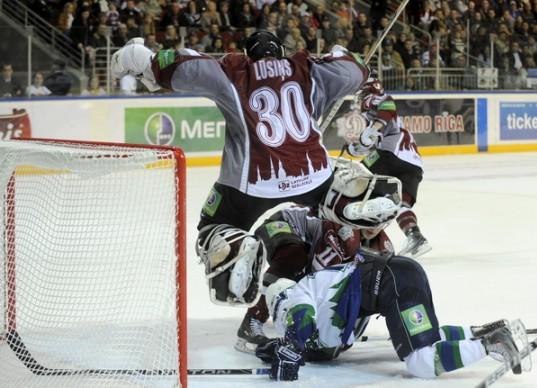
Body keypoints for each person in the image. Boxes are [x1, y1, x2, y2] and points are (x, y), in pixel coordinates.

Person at [109, 30, 371, 328]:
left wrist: (145, 61)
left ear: (250, 54)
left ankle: (236, 245)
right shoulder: (307, 68)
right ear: (281, 51)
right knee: (337, 193)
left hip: (252, 182)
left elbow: (187, 67)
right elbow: (355, 69)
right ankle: (351, 209)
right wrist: (349, 60)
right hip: (312, 175)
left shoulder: (234, 70)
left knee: (212, 226)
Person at [256, 247, 522, 381]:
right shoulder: (313, 286)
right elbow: (321, 336)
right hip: (402, 272)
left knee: (422, 362)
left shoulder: (290, 296)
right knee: (427, 341)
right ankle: (479, 332)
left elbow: (301, 318)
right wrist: (286, 347)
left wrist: (290, 346)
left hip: (391, 284)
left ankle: (491, 344)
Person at [235, 159, 402, 353]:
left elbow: (376, 292)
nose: (375, 226)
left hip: (311, 241)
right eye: (373, 220)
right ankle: (252, 320)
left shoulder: (385, 250)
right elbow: (318, 279)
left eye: (381, 222)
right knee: (294, 259)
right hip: (283, 224)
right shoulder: (341, 228)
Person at [347, 76, 431, 258]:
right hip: (414, 165)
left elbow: (387, 108)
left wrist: (372, 130)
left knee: (355, 182)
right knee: (399, 204)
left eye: (362, 93)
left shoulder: (378, 99)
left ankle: (363, 240)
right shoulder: (377, 119)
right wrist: (358, 147)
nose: (360, 98)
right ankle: (415, 237)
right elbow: (373, 138)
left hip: (390, 156)